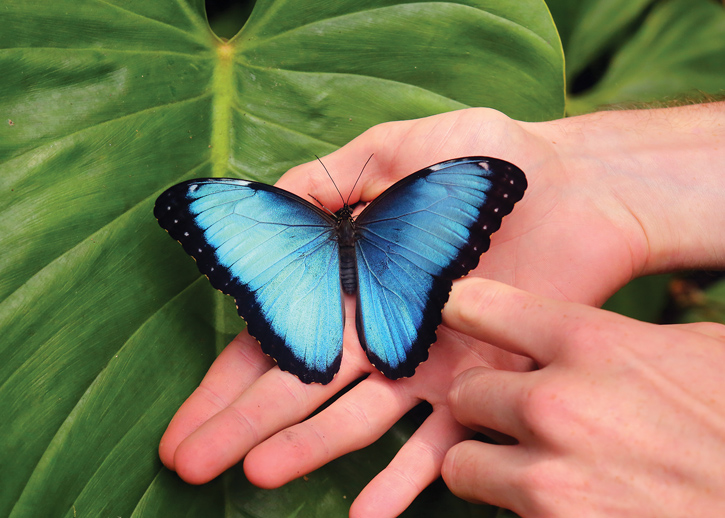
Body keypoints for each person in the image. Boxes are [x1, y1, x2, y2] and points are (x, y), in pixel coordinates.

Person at [158, 102, 725, 517]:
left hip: (308, 293)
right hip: (390, 285)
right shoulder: (394, 210)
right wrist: (585, 172)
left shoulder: (290, 214)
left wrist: (588, 176)